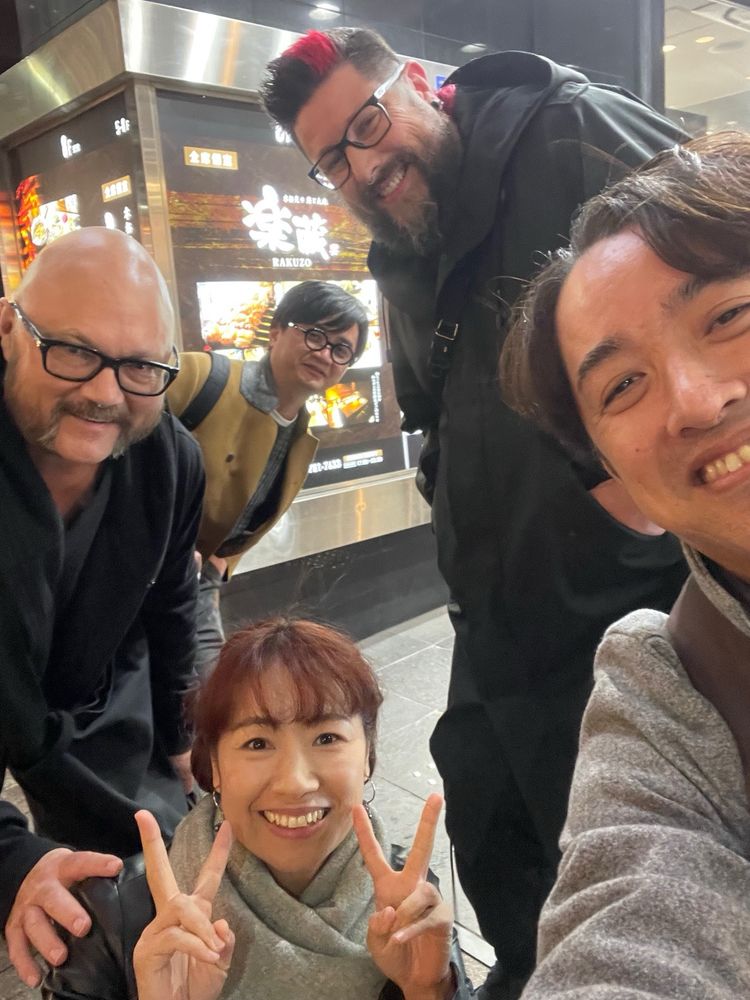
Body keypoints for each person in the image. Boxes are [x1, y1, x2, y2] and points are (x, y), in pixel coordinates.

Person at [261, 27, 689, 995]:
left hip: (627, 609)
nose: (365, 166)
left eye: (368, 123)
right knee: (494, 834)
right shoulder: (399, 251)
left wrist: (632, 491)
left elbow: (726, 254)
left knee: (626, 866)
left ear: (419, 83)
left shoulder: (568, 128)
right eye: (333, 161)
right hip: (491, 621)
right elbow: (429, 408)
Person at [499, 131, 750, 998]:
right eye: (621, 387)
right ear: (618, 484)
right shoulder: (670, 692)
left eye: (728, 316)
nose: (696, 400)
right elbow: (634, 914)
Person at [42, 617, 473, 1000]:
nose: (295, 782)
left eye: (326, 738)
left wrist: (429, 989)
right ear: (214, 767)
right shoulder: (116, 918)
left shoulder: (407, 899)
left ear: (366, 757)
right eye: (257, 743)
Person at [0, 228, 204, 989]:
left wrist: (183, 731)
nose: (106, 392)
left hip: (93, 688)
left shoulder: (169, 461)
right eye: (74, 351)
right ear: (8, 328)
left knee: (139, 872)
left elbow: (172, 600)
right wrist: (11, 863)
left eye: (140, 366)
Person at [167, 281, 368, 674]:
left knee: (208, 703)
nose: (325, 354)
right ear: (276, 333)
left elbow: (248, 512)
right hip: (131, 568)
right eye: (314, 335)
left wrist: (222, 561)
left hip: (194, 584)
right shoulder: (198, 378)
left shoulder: (300, 437)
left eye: (341, 349)